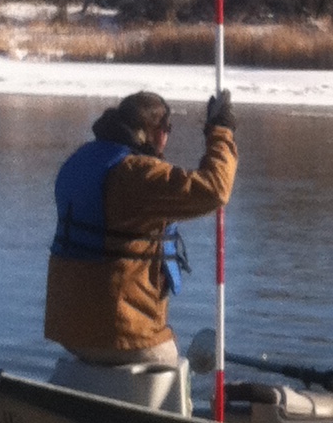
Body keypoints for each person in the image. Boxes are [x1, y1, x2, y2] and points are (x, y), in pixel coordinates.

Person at [44, 88, 237, 366]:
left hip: (70, 332)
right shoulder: (135, 174)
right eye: (168, 128)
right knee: (172, 362)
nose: (167, 137)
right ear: (157, 131)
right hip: (123, 335)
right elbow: (215, 190)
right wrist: (221, 132)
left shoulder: (80, 160)